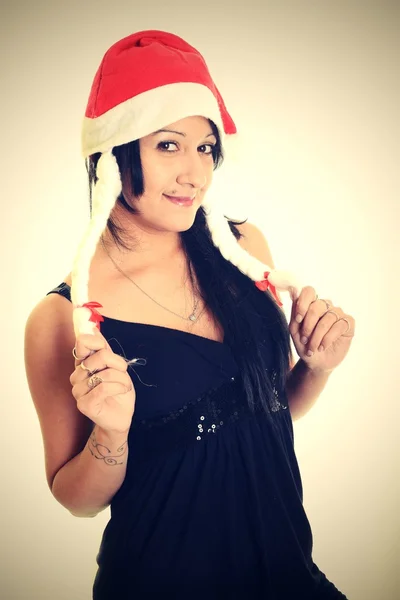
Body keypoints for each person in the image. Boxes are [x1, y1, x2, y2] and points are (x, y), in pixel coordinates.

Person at [24, 30, 354, 599]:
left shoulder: (246, 252)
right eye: (169, 145)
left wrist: (317, 366)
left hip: (287, 574)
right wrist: (112, 430)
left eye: (205, 147)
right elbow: (77, 498)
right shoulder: (64, 320)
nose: (194, 173)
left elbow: (268, 409)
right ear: (112, 156)